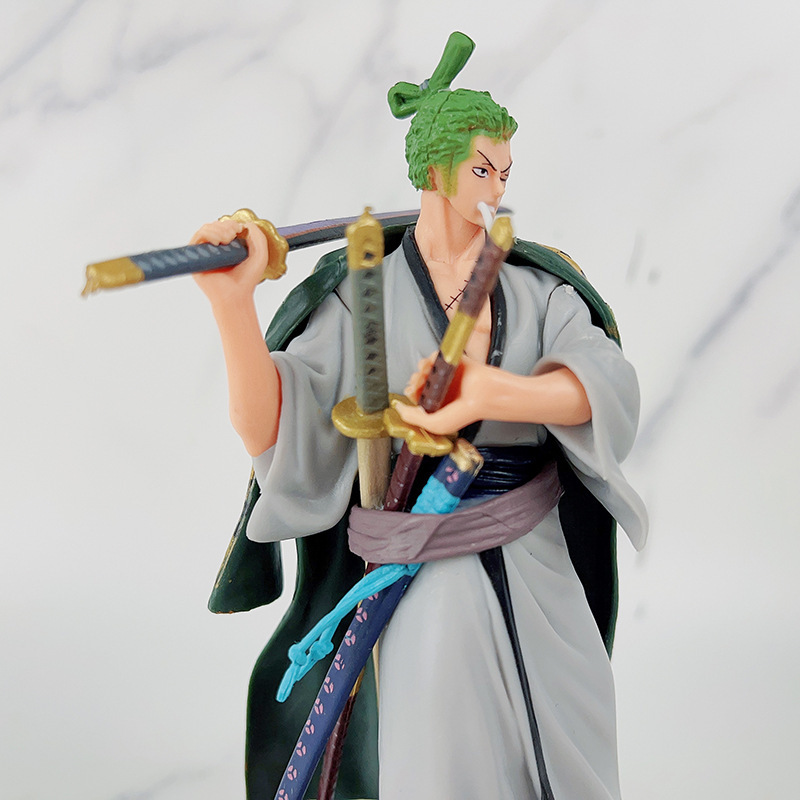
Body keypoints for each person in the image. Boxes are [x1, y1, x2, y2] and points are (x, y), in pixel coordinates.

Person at [195, 32, 647, 800]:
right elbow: (273, 430)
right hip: (415, 560)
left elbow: (604, 385)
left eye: (504, 172)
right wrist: (232, 307)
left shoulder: (536, 286)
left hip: (534, 556)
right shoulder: (360, 291)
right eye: (481, 170)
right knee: (439, 703)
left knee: (575, 720)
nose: (496, 187)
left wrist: (490, 394)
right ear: (435, 171)